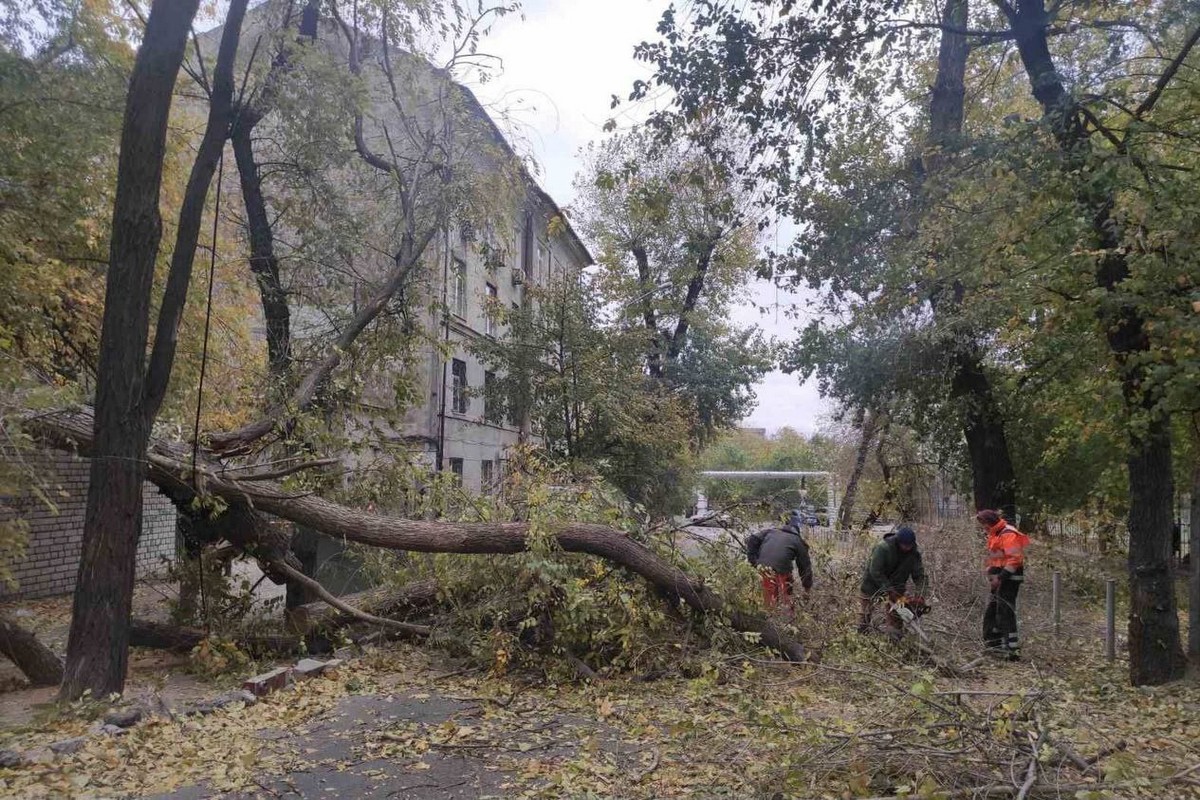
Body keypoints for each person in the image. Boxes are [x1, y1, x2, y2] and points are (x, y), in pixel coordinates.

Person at [977, 509, 1030, 660]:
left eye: (984, 524)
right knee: (993, 609)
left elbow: (1015, 559)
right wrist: (992, 575)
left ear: (990, 522)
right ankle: (994, 643)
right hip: (1001, 578)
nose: (983, 528)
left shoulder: (1008, 534)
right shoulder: (996, 534)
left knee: (1005, 612)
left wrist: (1000, 577)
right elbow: (996, 559)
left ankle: (1012, 650)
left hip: (1010, 578)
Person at [858, 526, 929, 637]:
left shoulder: (914, 554)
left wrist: (920, 596)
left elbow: (920, 576)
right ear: (898, 541)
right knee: (865, 614)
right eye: (904, 545)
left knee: (896, 617)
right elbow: (875, 571)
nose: (907, 548)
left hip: (897, 589)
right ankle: (861, 635)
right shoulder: (883, 548)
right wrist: (888, 589)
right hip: (872, 585)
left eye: (910, 545)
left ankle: (894, 641)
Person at [746, 511, 814, 609]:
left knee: (767, 600)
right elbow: (805, 567)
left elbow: (752, 539)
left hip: (762, 569)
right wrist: (807, 588)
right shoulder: (797, 541)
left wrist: (755, 562)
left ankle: (769, 612)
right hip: (780, 571)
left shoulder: (771, 531)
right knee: (786, 599)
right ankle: (785, 615)